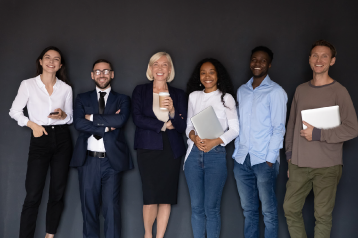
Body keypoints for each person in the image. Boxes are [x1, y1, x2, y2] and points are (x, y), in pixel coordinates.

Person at [283, 40, 358, 238]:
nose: (319, 60)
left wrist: (318, 134)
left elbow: (352, 129)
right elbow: (291, 125)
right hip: (299, 164)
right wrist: (290, 157)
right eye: (315, 55)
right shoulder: (300, 90)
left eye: (324, 56)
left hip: (328, 166)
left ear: (332, 61)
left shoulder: (339, 91)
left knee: (322, 216)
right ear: (309, 60)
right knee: (290, 208)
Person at [9, 46, 73, 238]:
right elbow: (14, 111)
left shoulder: (66, 88)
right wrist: (31, 125)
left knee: (57, 191)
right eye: (47, 57)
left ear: (60, 65)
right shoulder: (28, 85)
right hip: (40, 138)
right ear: (40, 61)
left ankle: (50, 235)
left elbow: (69, 118)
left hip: (62, 138)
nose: (51, 61)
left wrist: (63, 115)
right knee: (33, 194)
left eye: (56, 59)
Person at [70, 59, 133, 238]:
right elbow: (79, 123)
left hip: (111, 162)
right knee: (88, 210)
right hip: (87, 161)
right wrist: (106, 126)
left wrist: (91, 117)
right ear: (92, 75)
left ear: (112, 74)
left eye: (106, 71)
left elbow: (120, 121)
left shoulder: (122, 99)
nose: (102, 74)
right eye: (97, 71)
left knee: (112, 210)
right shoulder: (82, 98)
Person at [232, 46, 287, 238]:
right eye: (254, 59)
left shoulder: (276, 92)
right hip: (242, 160)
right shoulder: (242, 91)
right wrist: (238, 151)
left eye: (263, 61)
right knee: (249, 211)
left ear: (269, 65)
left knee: (269, 212)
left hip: (264, 160)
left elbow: (279, 128)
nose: (258, 64)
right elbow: (239, 124)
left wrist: (270, 160)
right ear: (250, 62)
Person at [132, 52, 187, 238]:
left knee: (166, 197)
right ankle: (148, 235)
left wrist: (172, 111)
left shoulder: (178, 94)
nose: (160, 68)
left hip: (171, 150)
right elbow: (137, 118)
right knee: (150, 197)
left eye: (164, 65)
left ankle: (160, 236)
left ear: (170, 69)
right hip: (147, 148)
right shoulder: (140, 91)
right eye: (156, 64)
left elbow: (181, 126)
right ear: (150, 68)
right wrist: (163, 125)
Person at [185, 58, 239, 238]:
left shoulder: (226, 98)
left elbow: (235, 130)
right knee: (196, 208)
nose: (207, 76)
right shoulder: (194, 96)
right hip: (193, 156)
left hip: (215, 155)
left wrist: (214, 141)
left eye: (211, 72)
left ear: (218, 75)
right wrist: (194, 137)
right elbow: (188, 127)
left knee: (211, 208)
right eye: (203, 72)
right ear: (199, 76)